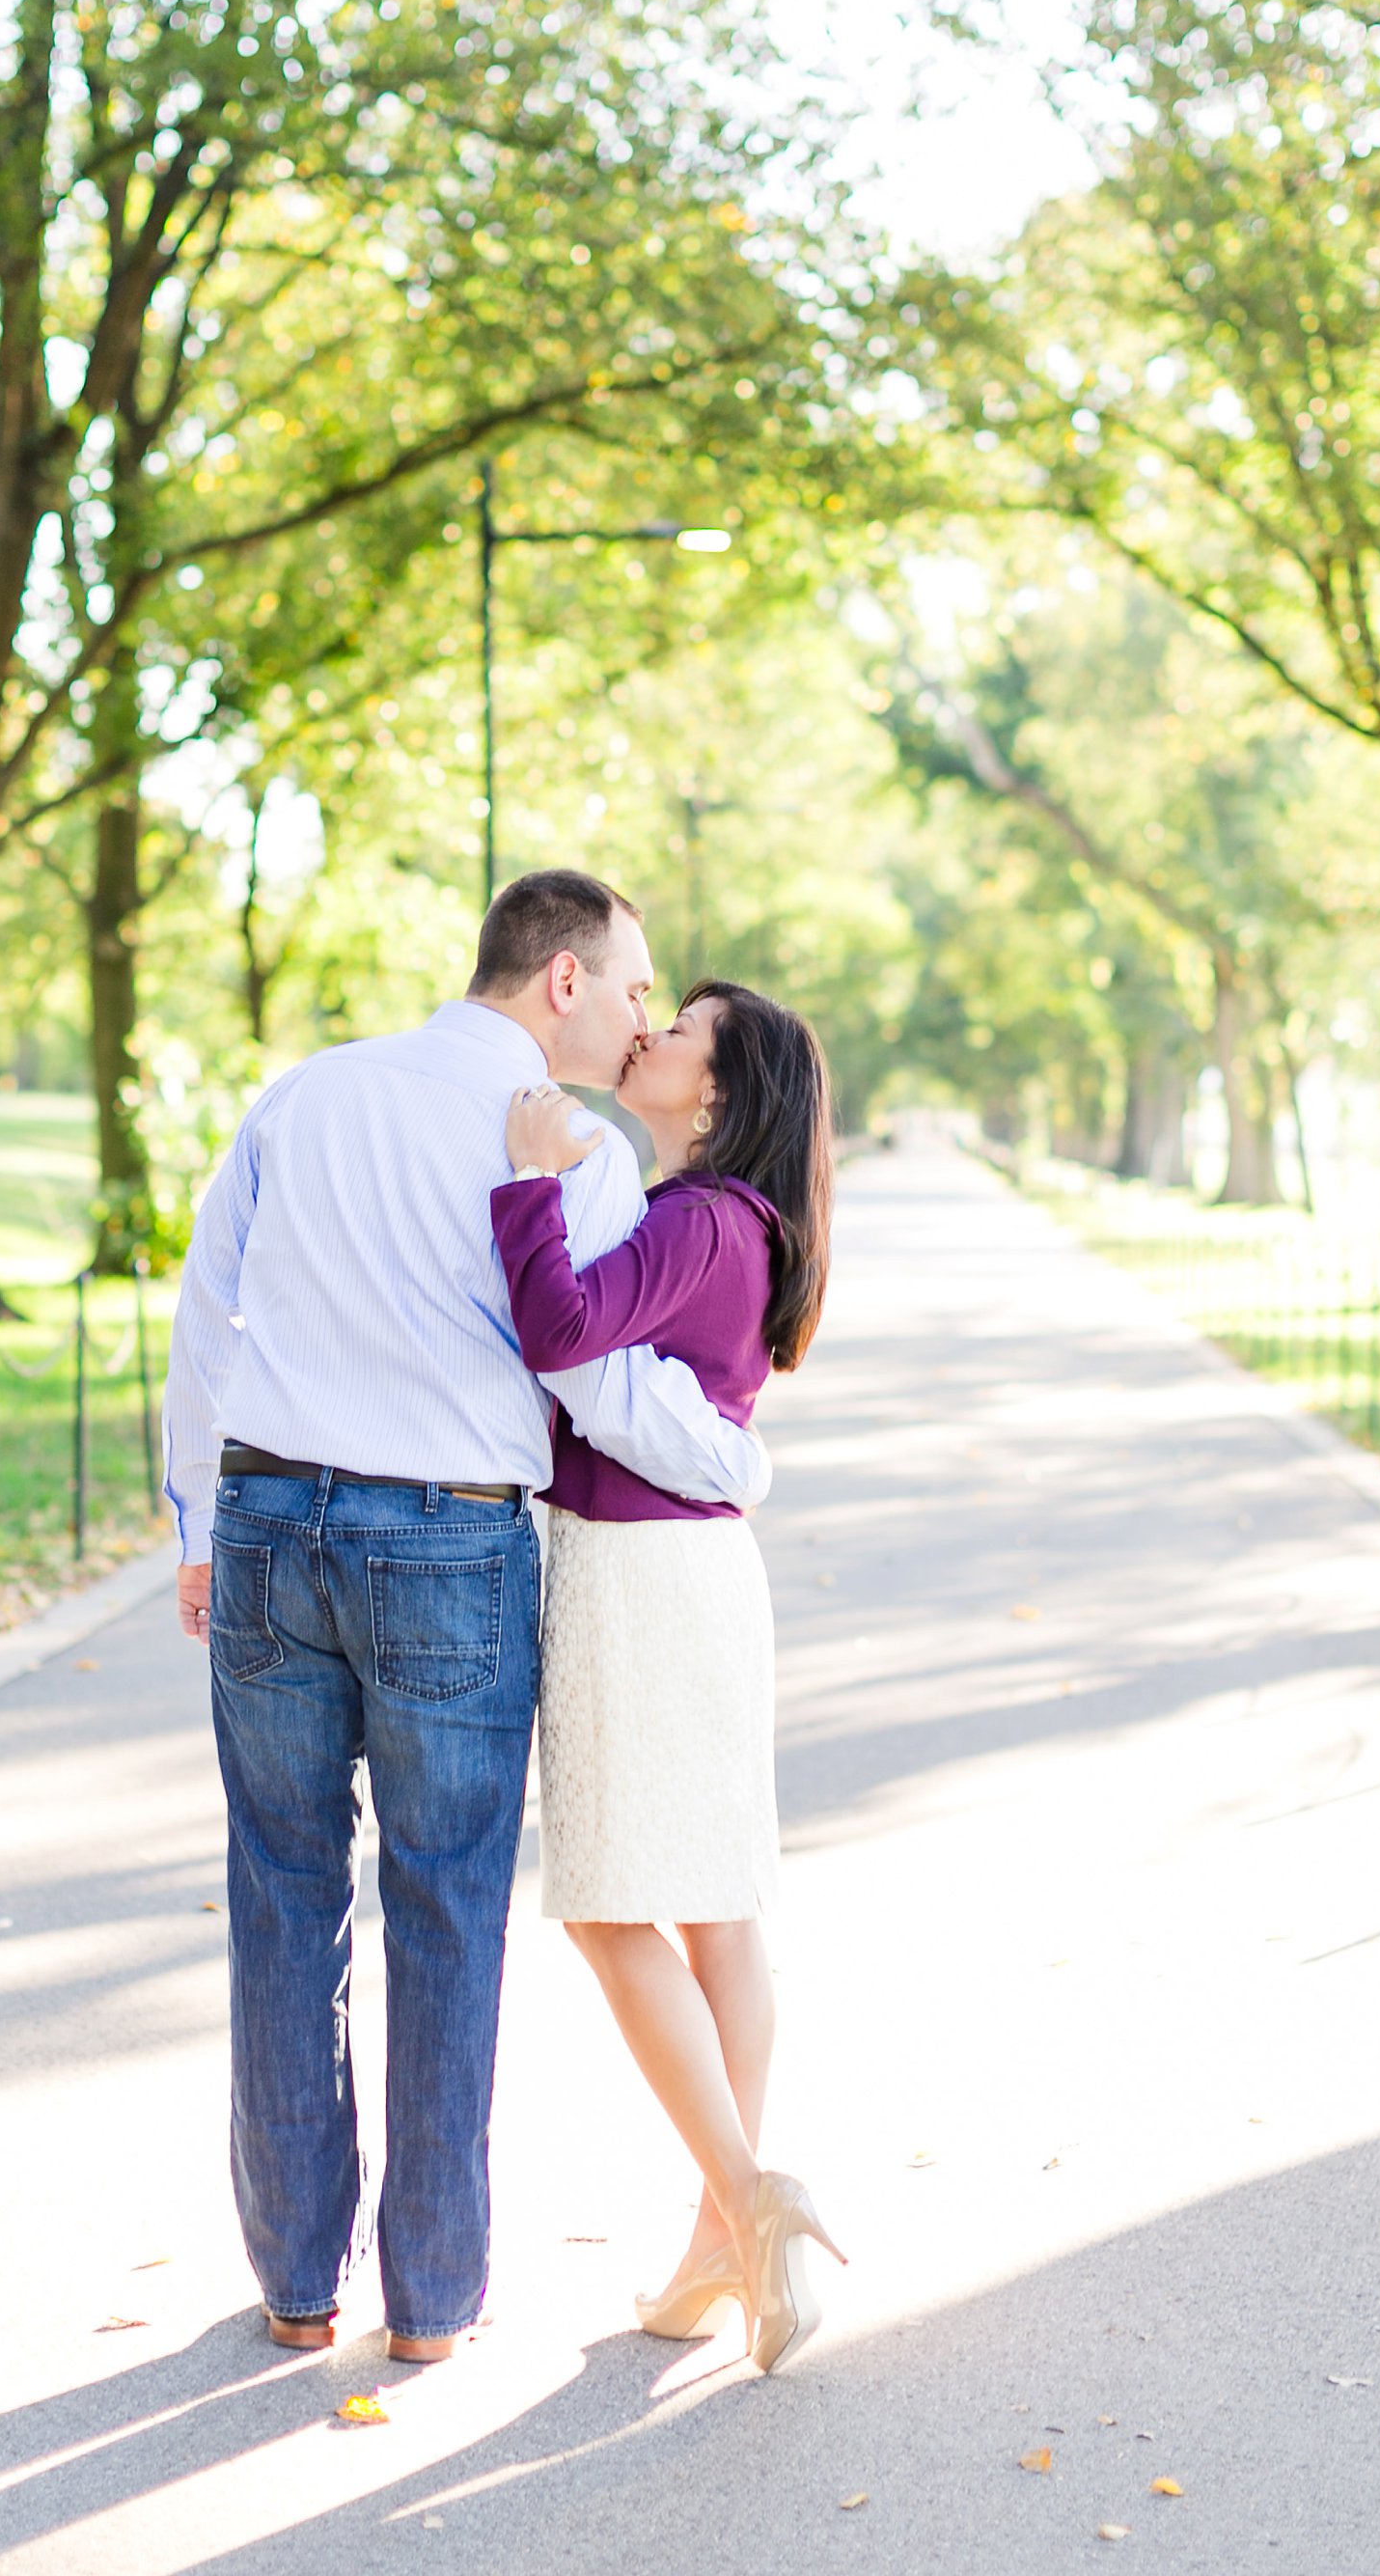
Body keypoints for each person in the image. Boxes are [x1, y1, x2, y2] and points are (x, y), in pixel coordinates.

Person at [159, 873, 770, 2364]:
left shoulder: (307, 1097)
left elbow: (206, 1308)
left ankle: (298, 2287)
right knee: (444, 1910)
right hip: (447, 1542)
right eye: (633, 987)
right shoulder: (580, 1151)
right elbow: (597, 1382)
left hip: (266, 1523)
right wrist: (736, 1460)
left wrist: (194, 1520)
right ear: (561, 980)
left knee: (282, 1896)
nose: (643, 1018)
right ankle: (429, 2304)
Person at [490, 978, 843, 2373]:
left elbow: (560, 1331)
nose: (651, 1034)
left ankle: (751, 2198)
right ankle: (722, 2231)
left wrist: (530, 1181)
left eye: (681, 1028)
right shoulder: (745, 1226)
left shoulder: (701, 1218)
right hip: (692, 1576)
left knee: (608, 1905)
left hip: (634, 1577)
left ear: (719, 1089)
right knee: (718, 1912)